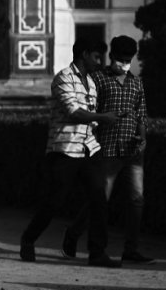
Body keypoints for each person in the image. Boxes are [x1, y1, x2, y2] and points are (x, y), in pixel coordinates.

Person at [19, 40, 109, 265]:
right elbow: (74, 113)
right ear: (85, 54)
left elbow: (88, 116)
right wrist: (102, 118)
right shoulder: (63, 78)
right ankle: (28, 239)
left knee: (98, 197)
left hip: (88, 147)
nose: (100, 62)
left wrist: (99, 123)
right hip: (65, 149)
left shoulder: (91, 82)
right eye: (97, 57)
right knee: (54, 202)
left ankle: (97, 253)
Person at [79, 34, 148, 264]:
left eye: (128, 60)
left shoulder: (136, 82)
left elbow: (141, 114)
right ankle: (92, 246)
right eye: (121, 59)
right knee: (100, 202)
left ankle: (131, 249)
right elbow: (88, 112)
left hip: (132, 151)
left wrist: (142, 136)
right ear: (112, 57)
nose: (124, 64)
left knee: (136, 200)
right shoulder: (98, 79)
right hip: (106, 150)